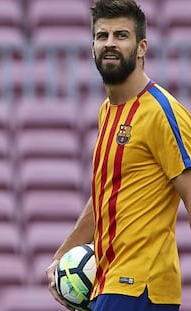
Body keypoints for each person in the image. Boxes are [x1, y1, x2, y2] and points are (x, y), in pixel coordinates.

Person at [45, 0, 191, 310]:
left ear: (142, 47)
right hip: (109, 283)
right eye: (102, 36)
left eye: (121, 35)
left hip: (141, 288)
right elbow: (105, 195)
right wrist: (62, 254)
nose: (110, 44)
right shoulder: (107, 111)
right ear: (93, 46)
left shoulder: (162, 113)